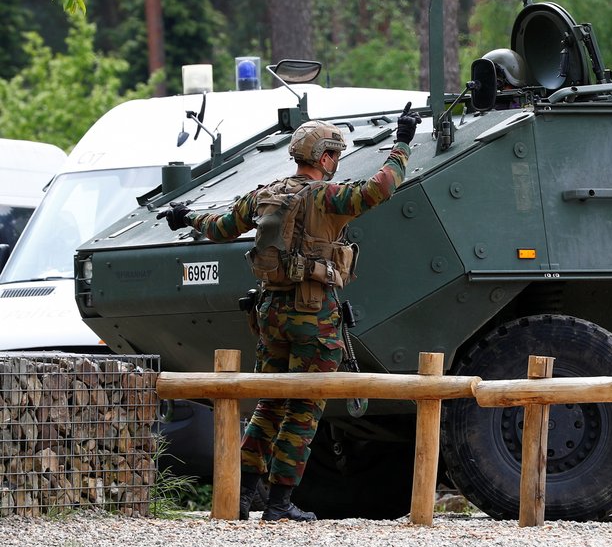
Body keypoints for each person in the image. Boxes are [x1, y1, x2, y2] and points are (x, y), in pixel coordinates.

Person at [158, 107, 421, 521]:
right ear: (324, 158)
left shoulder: (266, 193)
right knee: (304, 408)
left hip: (271, 314)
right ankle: (279, 504)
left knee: (269, 404)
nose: (336, 162)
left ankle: (241, 498)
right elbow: (380, 188)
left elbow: (222, 225)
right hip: (314, 316)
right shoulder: (326, 197)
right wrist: (402, 142)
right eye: (334, 154)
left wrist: (185, 215)